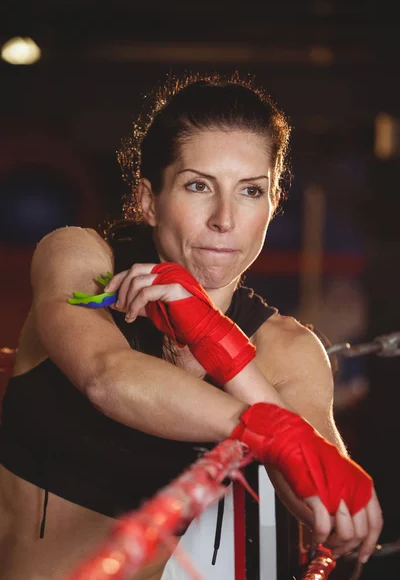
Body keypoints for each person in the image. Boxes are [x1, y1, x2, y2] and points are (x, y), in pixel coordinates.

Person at [0, 71, 383, 580]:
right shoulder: (81, 259)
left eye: (250, 191)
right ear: (148, 200)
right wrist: (270, 427)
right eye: (198, 185)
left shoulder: (286, 348)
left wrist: (215, 340)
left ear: (272, 205)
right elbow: (105, 374)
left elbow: (333, 515)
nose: (224, 218)